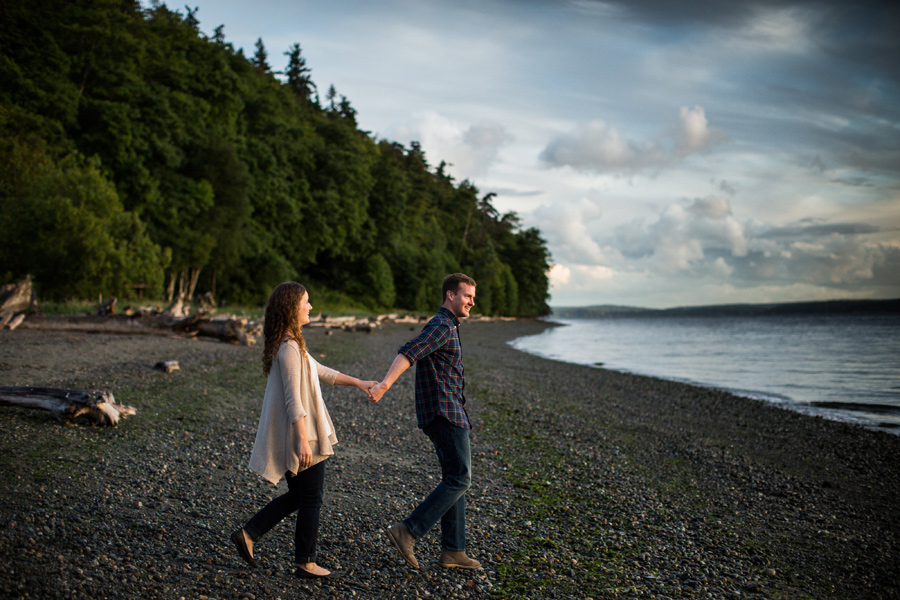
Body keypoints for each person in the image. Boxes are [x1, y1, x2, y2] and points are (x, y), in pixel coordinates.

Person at [230, 282, 377, 579]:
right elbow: (293, 400)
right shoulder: (288, 349)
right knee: (311, 497)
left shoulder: (293, 345)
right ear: (291, 307)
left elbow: (321, 371)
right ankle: (305, 562)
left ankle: (249, 534)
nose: (310, 307)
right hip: (302, 435)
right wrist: (303, 442)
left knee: (299, 496)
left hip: (299, 434)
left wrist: (359, 383)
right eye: (306, 302)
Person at [367, 273, 481, 570]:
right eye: (467, 296)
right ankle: (408, 530)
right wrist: (384, 384)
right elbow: (409, 351)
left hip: (445, 411)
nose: (472, 301)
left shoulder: (447, 326)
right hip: (445, 412)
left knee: (454, 478)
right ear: (450, 295)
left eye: (472, 296)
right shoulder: (442, 325)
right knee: (460, 478)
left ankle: (453, 551)